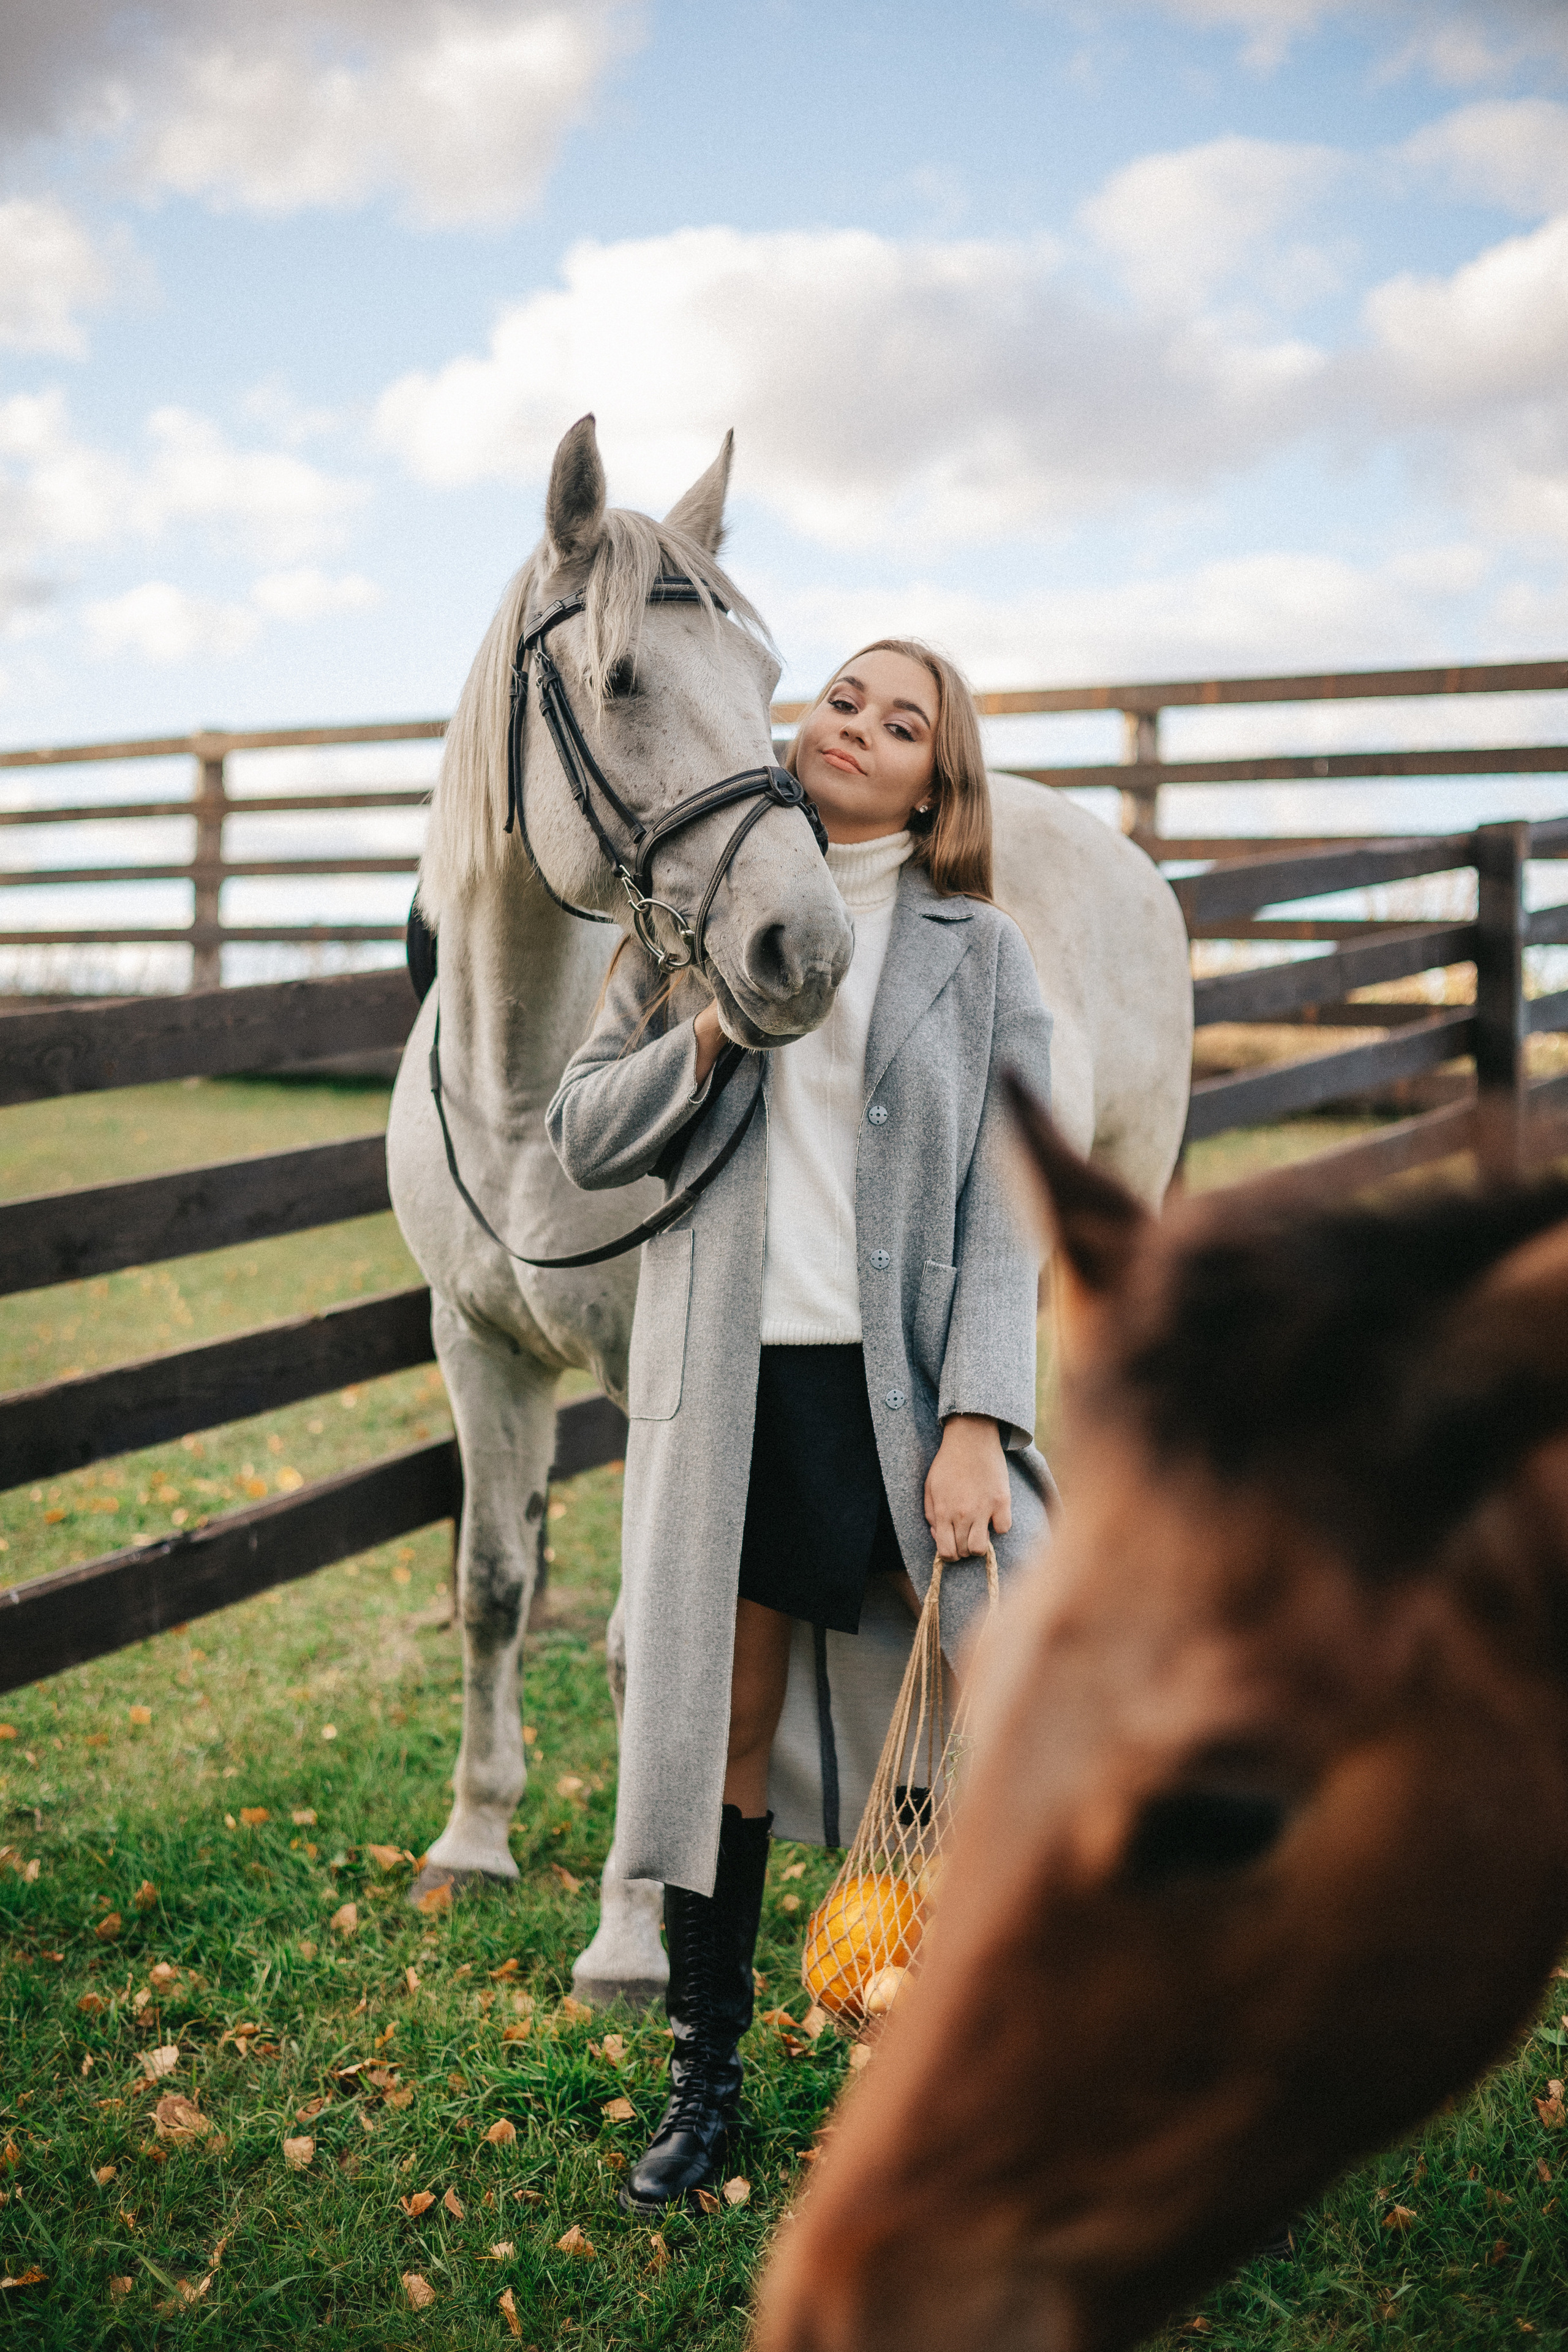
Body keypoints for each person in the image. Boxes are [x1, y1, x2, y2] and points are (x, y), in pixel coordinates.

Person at [547, 638, 1054, 2214]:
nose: (862, 728)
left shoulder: (979, 953)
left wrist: (978, 1413)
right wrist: (706, 1030)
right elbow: (578, 1135)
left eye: (904, 723)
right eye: (846, 697)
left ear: (934, 780)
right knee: (725, 1739)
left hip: (906, 1399)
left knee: (995, 1715)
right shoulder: (683, 919)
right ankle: (708, 2082)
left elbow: (1012, 1193)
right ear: (800, 718)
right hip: (737, 1398)